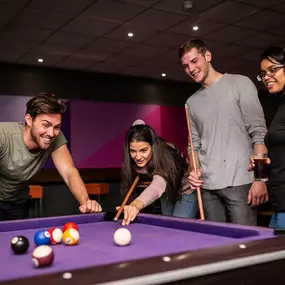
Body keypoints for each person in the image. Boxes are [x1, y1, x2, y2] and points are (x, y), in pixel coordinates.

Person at [179, 38, 268, 225]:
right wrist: (193, 171)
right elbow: (193, 145)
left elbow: (259, 132)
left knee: (246, 245)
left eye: (194, 61)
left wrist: (260, 179)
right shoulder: (191, 103)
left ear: (208, 55)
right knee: (218, 247)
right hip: (208, 186)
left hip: (240, 181)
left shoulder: (240, 83)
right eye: (186, 65)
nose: (191, 68)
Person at [0, 92, 102, 221]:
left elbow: (69, 172)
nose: (51, 133)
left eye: (56, 127)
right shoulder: (3, 135)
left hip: (18, 203)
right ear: (29, 120)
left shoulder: (56, 138)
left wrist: (86, 202)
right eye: (46, 125)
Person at [117, 120, 198, 226]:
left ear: (152, 146)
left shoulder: (165, 155)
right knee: (166, 225)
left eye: (143, 150)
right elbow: (138, 124)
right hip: (168, 192)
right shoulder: (135, 156)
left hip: (187, 190)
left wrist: (136, 205)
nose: (137, 157)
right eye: (133, 151)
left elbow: (157, 185)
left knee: (176, 226)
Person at [257, 46, 285, 228]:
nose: (267, 76)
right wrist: (267, 160)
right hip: (279, 202)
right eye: (263, 73)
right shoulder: (281, 105)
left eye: (273, 70)